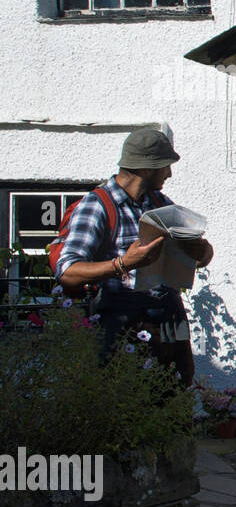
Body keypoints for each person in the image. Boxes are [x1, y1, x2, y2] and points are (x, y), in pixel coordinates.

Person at [54, 128, 214, 385]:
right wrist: (124, 264)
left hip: (169, 314)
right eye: (165, 167)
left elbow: (197, 256)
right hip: (123, 319)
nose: (170, 174)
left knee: (176, 392)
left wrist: (203, 252)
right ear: (147, 168)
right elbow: (67, 271)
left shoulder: (160, 202)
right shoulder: (97, 205)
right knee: (127, 401)